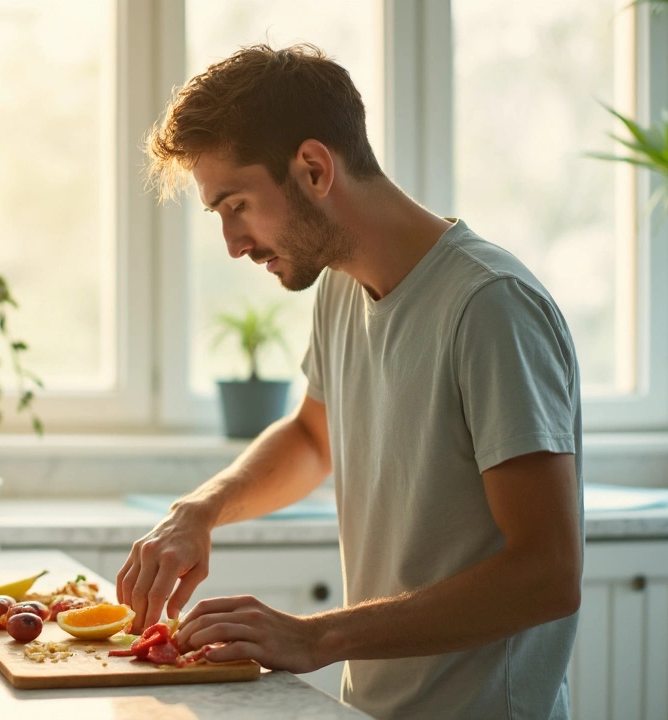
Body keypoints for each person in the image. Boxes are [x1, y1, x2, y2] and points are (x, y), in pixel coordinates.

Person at [116, 44, 583, 720]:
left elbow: (546, 574)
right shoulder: (340, 286)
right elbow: (314, 437)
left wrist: (316, 636)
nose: (232, 243)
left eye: (237, 205)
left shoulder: (490, 307)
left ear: (313, 169)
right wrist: (202, 511)